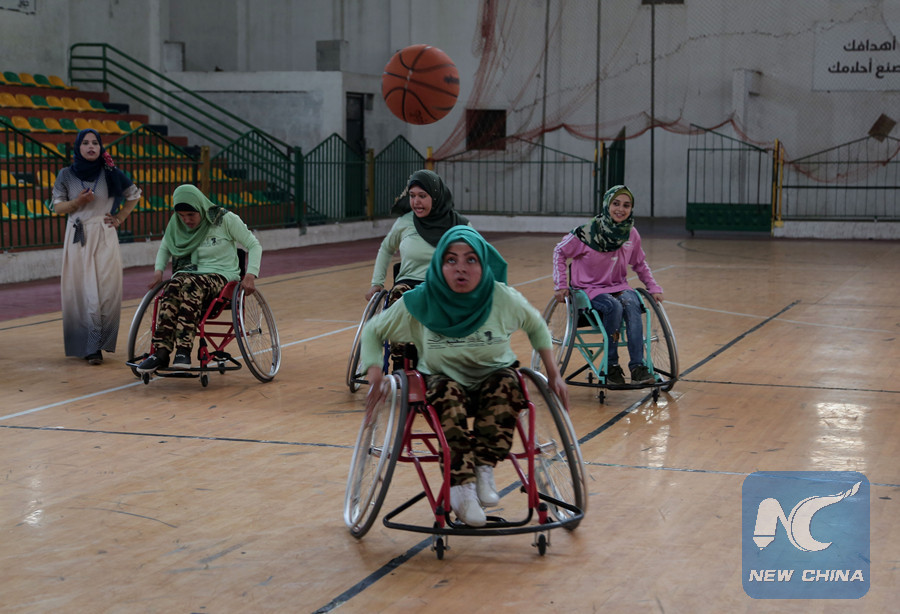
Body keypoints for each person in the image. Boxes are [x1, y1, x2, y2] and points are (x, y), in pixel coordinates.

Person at [361, 226, 568, 527]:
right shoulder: (420, 300)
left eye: (471, 260)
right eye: (451, 260)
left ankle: (483, 466)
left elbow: (536, 325)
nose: (461, 268)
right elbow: (372, 331)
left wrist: (554, 374)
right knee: (447, 392)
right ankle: (461, 487)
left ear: (483, 265)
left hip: (492, 378)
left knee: (508, 383)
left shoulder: (500, 296)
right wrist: (375, 374)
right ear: (439, 264)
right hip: (443, 380)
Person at [136, 184, 262, 373]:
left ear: (201, 207)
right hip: (189, 273)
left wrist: (250, 275)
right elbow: (165, 246)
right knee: (172, 286)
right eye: (182, 216)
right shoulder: (176, 224)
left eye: (191, 215)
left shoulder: (224, 219)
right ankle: (161, 352)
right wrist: (158, 271)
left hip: (221, 275)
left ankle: (183, 351)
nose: (186, 220)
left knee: (189, 284)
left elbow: (254, 245)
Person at [552, 185, 664, 386]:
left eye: (626, 205)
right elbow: (559, 251)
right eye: (616, 204)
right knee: (614, 306)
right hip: (588, 289)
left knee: (633, 304)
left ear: (631, 209)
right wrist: (560, 284)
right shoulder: (586, 233)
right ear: (607, 205)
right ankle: (611, 366)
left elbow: (639, 263)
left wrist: (653, 287)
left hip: (618, 286)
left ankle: (638, 367)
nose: (620, 209)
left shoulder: (631, 234)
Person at [50, 128, 142, 365]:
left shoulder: (110, 173)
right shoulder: (66, 175)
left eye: (95, 143)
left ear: (101, 147)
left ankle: (100, 342)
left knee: (106, 289)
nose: (91, 146)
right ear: (78, 147)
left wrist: (120, 217)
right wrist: (78, 202)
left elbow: (134, 195)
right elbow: (57, 207)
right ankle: (89, 347)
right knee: (83, 291)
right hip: (78, 236)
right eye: (85, 143)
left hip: (104, 234)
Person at [365, 169, 469, 367]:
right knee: (399, 297)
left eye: (422, 196)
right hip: (409, 284)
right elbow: (386, 248)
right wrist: (376, 283)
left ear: (435, 197)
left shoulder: (459, 225)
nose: (416, 202)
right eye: (412, 196)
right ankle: (401, 364)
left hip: (443, 285)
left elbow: (478, 255)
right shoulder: (405, 222)